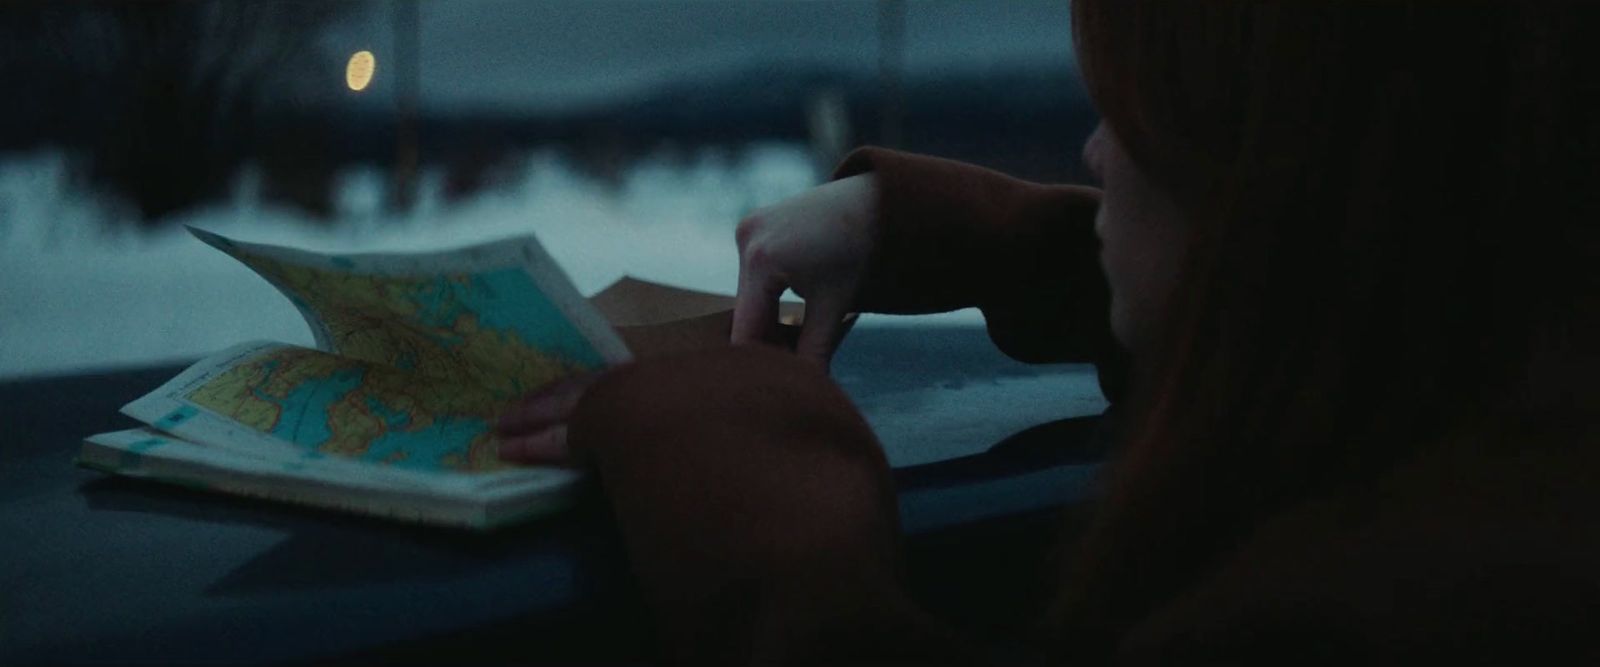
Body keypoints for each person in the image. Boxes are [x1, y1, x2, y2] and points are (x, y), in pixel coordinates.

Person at [497, 1, 1600, 663]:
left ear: (1277, 188)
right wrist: (976, 239)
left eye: (1135, 120)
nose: (1089, 157)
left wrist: (765, 516)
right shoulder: (1494, 410)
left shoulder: (1372, 616)